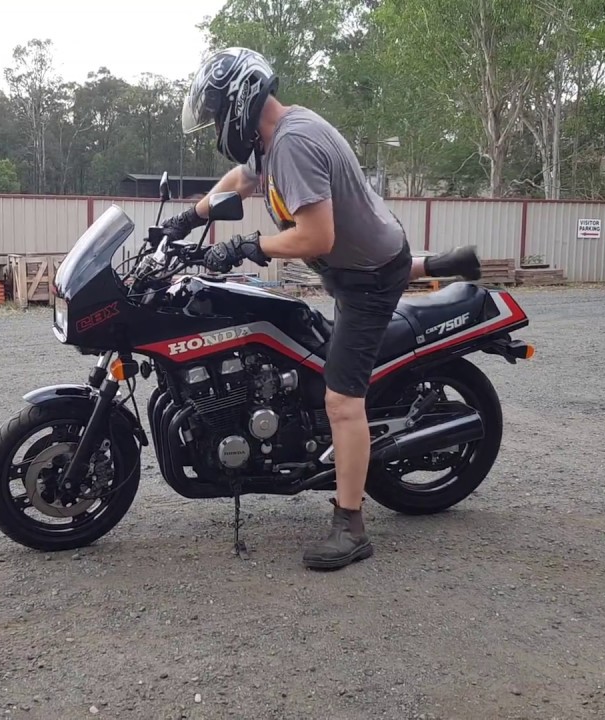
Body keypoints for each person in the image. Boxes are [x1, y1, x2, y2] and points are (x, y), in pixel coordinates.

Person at [159, 47, 480, 570]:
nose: (218, 126)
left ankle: (350, 526)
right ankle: (436, 263)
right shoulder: (270, 141)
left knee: (341, 400)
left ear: (240, 101)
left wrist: (245, 247)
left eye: (218, 114)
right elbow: (240, 182)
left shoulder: (293, 144)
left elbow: (317, 234)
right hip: (353, 262)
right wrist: (187, 220)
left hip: (367, 281)